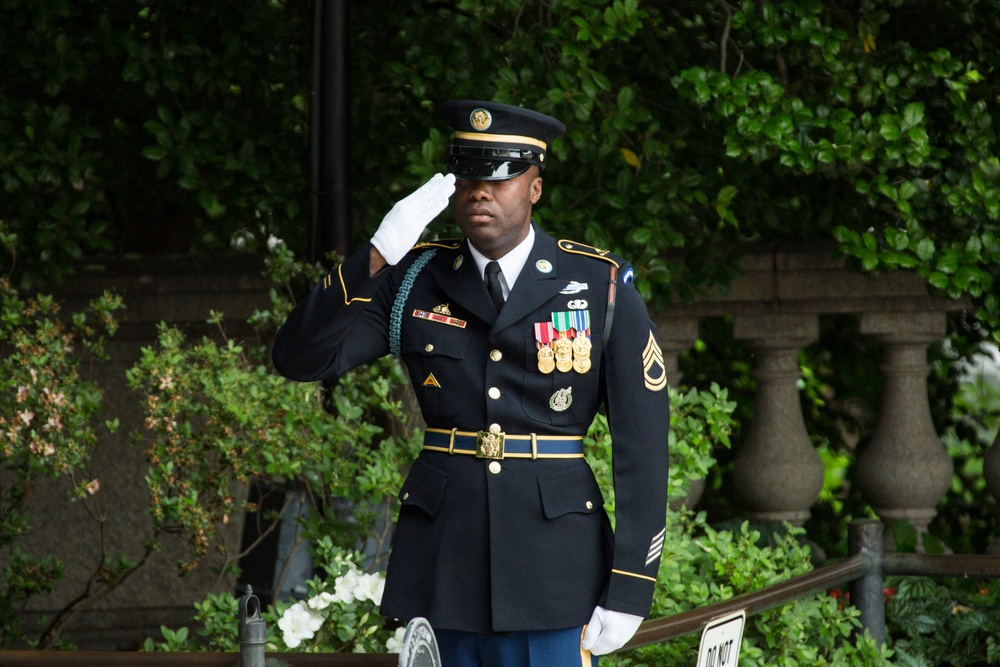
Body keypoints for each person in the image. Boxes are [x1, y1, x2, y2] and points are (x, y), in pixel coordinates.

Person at [272, 100, 670, 666]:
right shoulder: (414, 278)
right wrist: (377, 255)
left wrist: (631, 585)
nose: (480, 191)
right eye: (467, 176)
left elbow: (644, 448)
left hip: (554, 572)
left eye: (501, 177)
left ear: (534, 188)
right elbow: (298, 357)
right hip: (443, 567)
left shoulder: (598, 286)